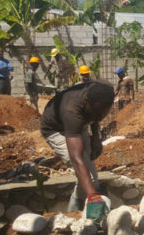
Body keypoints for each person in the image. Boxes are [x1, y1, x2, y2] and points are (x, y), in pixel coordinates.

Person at [40, 81, 114, 222]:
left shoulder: (99, 93)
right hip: (56, 129)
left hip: (80, 125)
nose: (100, 116)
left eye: (103, 113)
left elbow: (96, 117)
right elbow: (76, 157)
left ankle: (72, 213)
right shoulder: (71, 112)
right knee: (90, 176)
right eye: (96, 113)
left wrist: (96, 138)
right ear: (86, 102)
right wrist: (93, 195)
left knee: (85, 177)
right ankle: (91, 215)